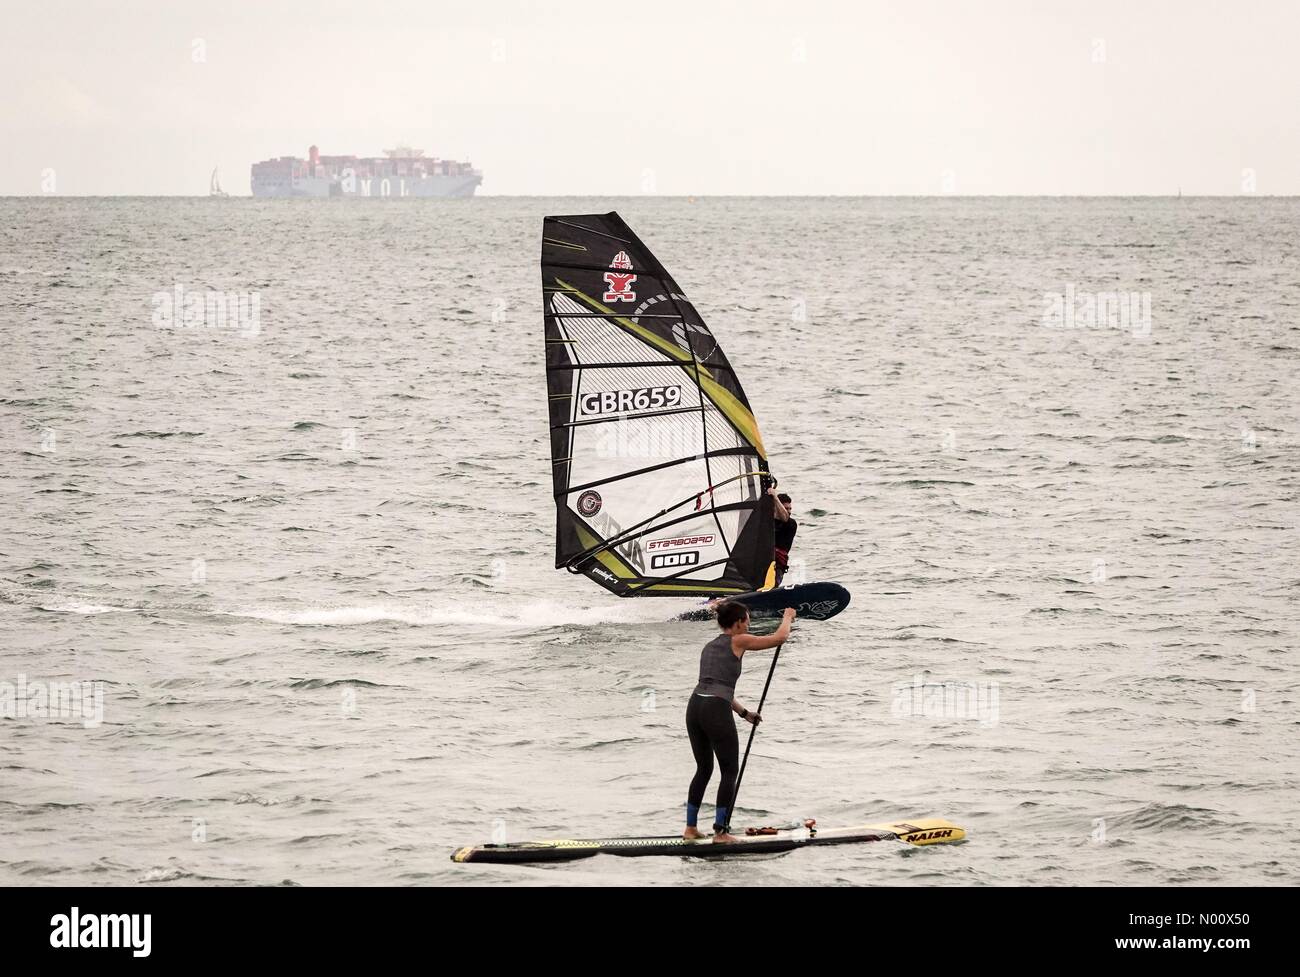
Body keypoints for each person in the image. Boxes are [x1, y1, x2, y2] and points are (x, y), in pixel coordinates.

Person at [684, 601, 796, 842]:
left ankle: (690, 829)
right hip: (714, 710)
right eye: (747, 620)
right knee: (729, 770)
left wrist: (744, 713)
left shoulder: (709, 645)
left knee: (703, 769)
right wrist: (787, 616)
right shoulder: (739, 640)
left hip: (695, 707)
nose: (749, 624)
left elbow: (716, 686)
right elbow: (779, 638)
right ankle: (721, 833)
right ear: (737, 624)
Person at [769, 487, 797, 585]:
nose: (789, 511)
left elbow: (784, 518)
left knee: (773, 584)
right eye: (786, 508)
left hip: (778, 566)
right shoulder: (766, 522)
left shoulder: (791, 524)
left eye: (790, 509)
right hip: (762, 561)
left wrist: (775, 497)